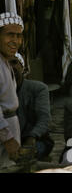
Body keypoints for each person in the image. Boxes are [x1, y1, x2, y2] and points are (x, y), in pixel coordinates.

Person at [10, 53, 54, 161]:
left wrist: (32, 137)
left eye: (14, 62)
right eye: (6, 64)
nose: (11, 67)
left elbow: (44, 119)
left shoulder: (38, 89)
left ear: (22, 66)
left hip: (35, 140)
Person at [0, 12, 24, 168]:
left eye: (18, 36)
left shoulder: (6, 62)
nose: (15, 41)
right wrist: (7, 138)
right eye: (10, 35)